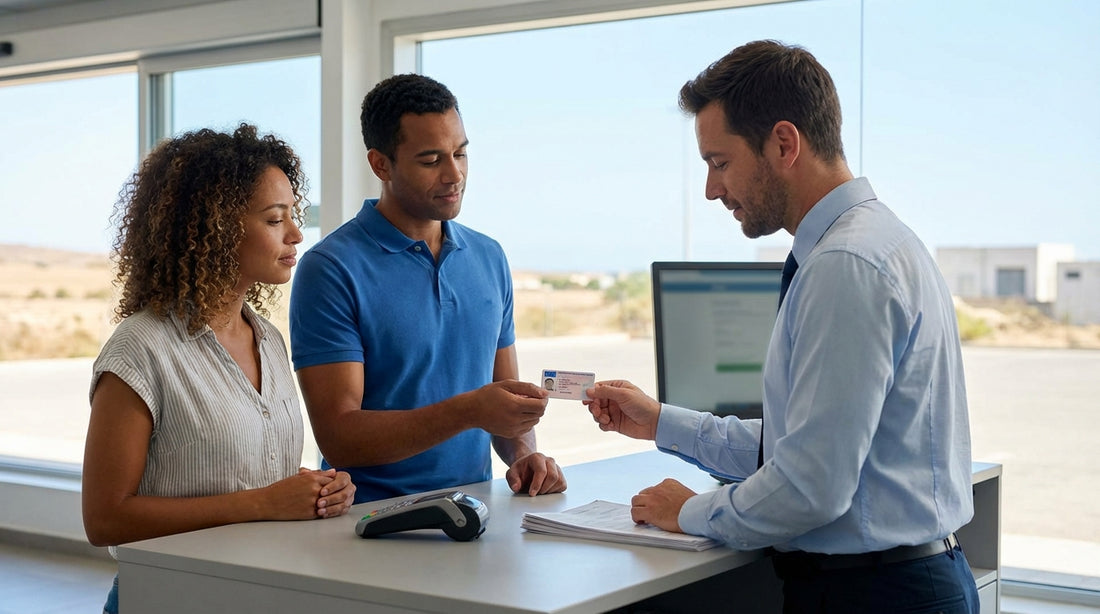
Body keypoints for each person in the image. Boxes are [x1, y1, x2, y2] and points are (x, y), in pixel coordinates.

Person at [585, 40, 978, 613]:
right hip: (891, 584)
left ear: (784, 143)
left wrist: (687, 511)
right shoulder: (867, 243)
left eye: (720, 163)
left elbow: (809, 484)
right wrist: (661, 423)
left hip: (875, 595)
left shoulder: (846, 266)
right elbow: (799, 447)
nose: (712, 189)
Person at [82, 124, 356, 614]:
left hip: (261, 593)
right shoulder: (140, 349)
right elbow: (105, 518)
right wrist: (264, 503)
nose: (296, 234)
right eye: (275, 219)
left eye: (294, 215)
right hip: (166, 598)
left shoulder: (268, 339)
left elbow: (246, 473)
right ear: (216, 226)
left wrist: (315, 492)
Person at [289, 74, 566, 504]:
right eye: (431, 159)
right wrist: (470, 410)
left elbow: (502, 402)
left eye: (460, 153)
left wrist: (523, 455)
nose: (454, 174)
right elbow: (339, 436)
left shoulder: (489, 257)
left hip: (473, 516)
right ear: (381, 164)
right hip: (369, 523)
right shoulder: (330, 269)